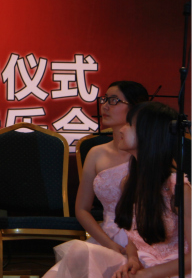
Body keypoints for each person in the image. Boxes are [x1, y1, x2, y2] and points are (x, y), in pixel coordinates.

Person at [48, 101, 190, 278]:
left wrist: (148, 274)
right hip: (143, 264)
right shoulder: (129, 182)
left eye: (129, 124)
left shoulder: (178, 189)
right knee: (80, 252)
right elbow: (133, 237)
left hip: (173, 269)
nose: (121, 129)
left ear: (149, 134)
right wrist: (133, 259)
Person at [43, 81, 150, 278]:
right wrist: (108, 243)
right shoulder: (96, 153)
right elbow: (82, 209)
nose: (105, 106)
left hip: (146, 238)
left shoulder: (150, 152)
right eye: (105, 100)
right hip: (106, 237)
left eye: (114, 100)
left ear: (136, 107)